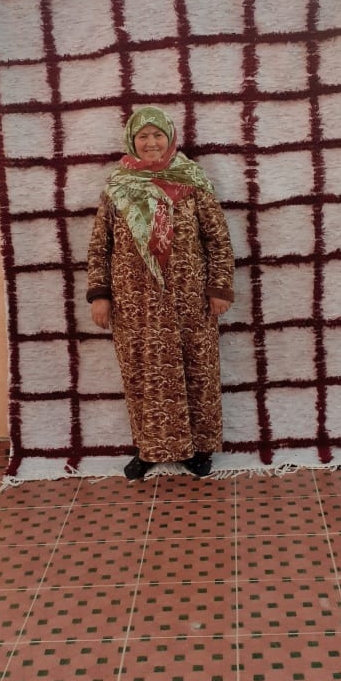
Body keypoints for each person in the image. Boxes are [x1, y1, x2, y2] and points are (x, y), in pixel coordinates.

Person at [86, 105, 234, 480]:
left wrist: (219, 288)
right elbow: (99, 246)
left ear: (169, 138)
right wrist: (100, 294)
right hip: (136, 303)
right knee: (144, 375)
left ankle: (200, 449)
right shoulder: (118, 187)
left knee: (196, 371)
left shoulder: (194, 182)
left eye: (157, 135)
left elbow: (217, 240)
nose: (150, 142)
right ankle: (149, 449)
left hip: (190, 298)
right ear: (132, 142)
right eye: (142, 136)